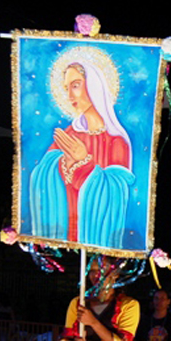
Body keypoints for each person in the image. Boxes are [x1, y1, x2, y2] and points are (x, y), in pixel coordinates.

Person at [29, 50, 136, 247]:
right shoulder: (69, 134)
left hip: (94, 234)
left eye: (75, 86)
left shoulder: (116, 141)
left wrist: (83, 162)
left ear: (94, 86)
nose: (69, 95)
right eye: (66, 88)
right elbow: (42, 177)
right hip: (66, 232)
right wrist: (60, 162)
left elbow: (116, 193)